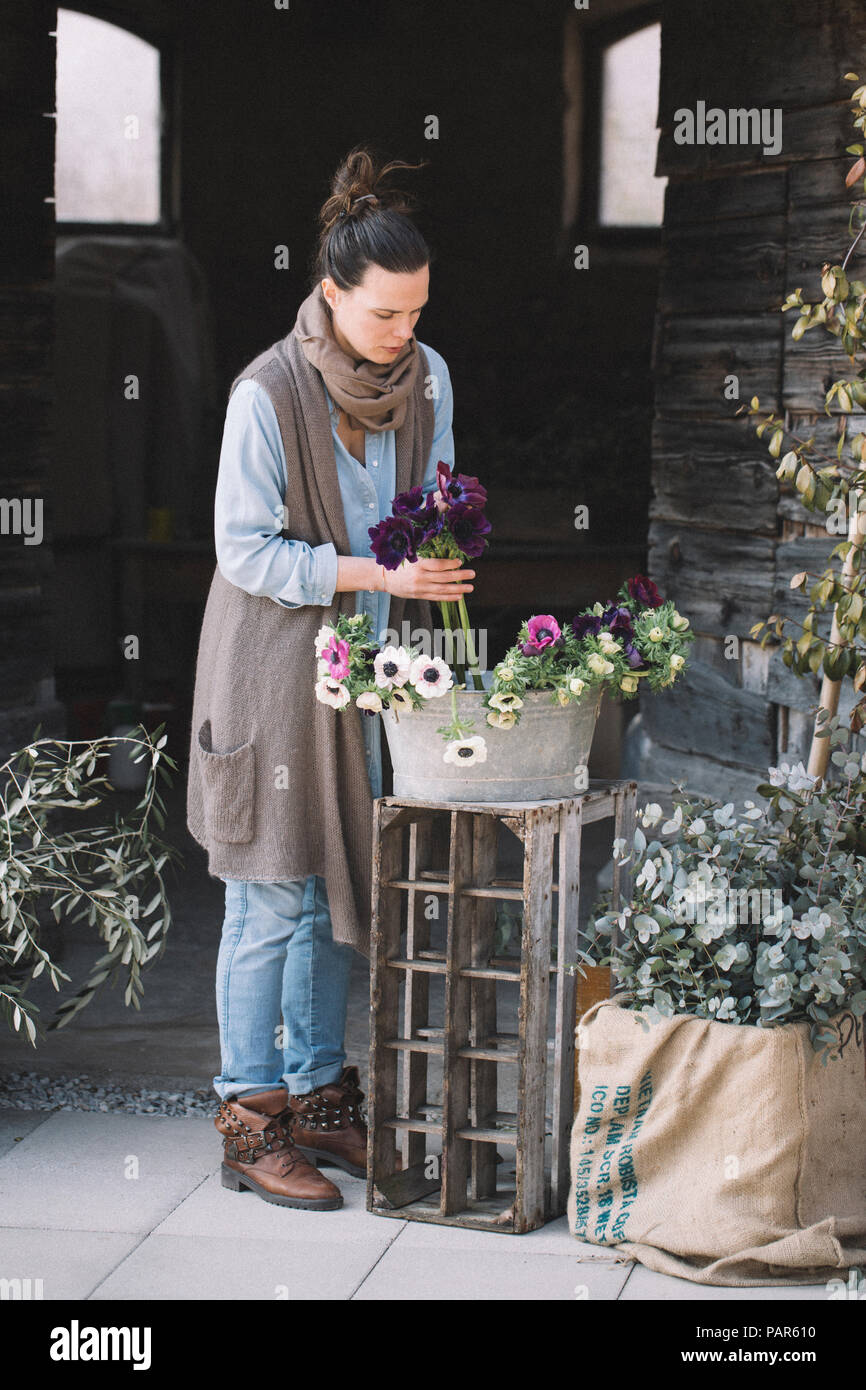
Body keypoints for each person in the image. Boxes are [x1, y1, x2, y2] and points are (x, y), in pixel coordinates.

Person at [186, 146, 475, 1210]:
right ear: (330, 295)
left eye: (416, 312)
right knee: (267, 899)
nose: (403, 334)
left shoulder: (430, 377)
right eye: (384, 315)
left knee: (335, 893)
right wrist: (371, 568)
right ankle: (246, 1119)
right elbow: (243, 550)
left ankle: (318, 1100)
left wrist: (437, 549)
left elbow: (435, 491)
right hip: (268, 669)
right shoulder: (265, 393)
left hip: (366, 668)